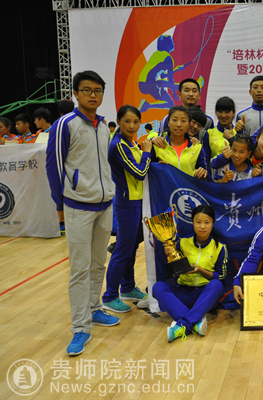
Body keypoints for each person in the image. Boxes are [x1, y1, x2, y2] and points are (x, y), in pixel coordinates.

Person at [46, 70, 119, 356]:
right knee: (79, 268)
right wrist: (59, 205)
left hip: (104, 205)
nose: (92, 95)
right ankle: (80, 327)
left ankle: (94, 308)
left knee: (98, 263)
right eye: (87, 90)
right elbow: (54, 167)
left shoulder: (104, 126)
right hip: (77, 206)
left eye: (97, 91)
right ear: (76, 93)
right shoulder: (65, 124)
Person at [101, 105, 152, 313]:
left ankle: (128, 288)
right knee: (122, 249)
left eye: (135, 122)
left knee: (131, 248)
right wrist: (147, 153)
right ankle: (109, 296)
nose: (132, 125)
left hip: (136, 201)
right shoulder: (118, 145)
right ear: (119, 122)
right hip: (127, 203)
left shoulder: (130, 143)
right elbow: (139, 173)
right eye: (127, 121)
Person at [153, 205, 227, 342]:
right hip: (184, 293)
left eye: (207, 222)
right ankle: (194, 322)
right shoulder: (182, 242)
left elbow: (221, 276)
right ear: (192, 223)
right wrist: (170, 256)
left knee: (217, 285)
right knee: (158, 287)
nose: (202, 226)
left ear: (213, 224)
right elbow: (173, 272)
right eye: (198, 222)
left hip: (205, 296)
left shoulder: (220, 247)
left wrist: (200, 270)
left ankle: (183, 325)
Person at [150, 106, 209, 179]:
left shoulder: (196, 146)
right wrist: (156, 167)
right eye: (174, 120)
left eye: (183, 121)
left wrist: (203, 173)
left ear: (188, 124)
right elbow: (147, 170)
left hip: (188, 186)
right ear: (168, 122)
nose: (178, 125)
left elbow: (203, 172)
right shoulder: (157, 143)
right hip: (164, 186)